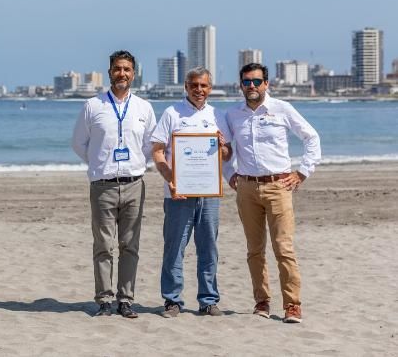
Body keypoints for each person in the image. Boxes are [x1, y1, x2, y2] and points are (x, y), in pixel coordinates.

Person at [226, 63, 321, 324]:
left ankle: (292, 305)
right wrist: (229, 174)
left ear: (267, 84)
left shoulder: (282, 109)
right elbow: (223, 148)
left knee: (283, 248)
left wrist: (302, 172)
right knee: (254, 250)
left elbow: (311, 138)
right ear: (241, 85)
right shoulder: (233, 114)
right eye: (247, 82)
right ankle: (262, 301)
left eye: (257, 81)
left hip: (279, 186)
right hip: (246, 188)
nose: (252, 86)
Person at [72, 50, 156, 318]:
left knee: (130, 245)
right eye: (118, 68)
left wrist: (135, 167)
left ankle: (126, 300)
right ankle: (105, 300)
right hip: (102, 186)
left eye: (127, 69)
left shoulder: (144, 107)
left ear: (134, 74)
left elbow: (150, 145)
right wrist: (100, 164)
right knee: (104, 245)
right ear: (109, 72)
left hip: (134, 184)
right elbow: (79, 143)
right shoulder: (93, 106)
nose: (122, 73)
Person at [150, 67, 232, 318]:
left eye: (204, 86)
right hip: (178, 194)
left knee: (208, 247)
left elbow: (227, 155)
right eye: (194, 85)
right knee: (174, 248)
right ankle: (172, 301)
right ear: (186, 86)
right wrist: (171, 180)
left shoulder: (218, 115)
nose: (199, 90)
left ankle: (208, 300)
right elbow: (157, 151)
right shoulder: (172, 113)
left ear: (210, 88)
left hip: (209, 193)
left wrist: (222, 147)